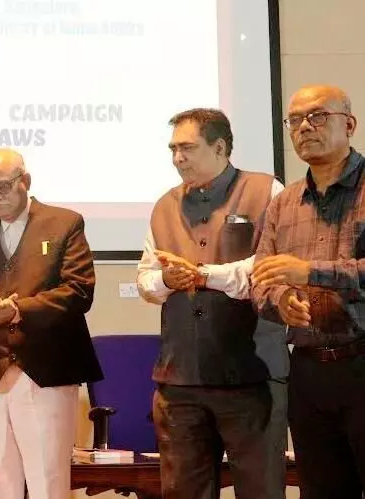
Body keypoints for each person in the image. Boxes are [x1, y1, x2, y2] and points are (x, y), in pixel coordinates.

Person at [136, 108, 286, 499]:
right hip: (179, 381)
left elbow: (268, 267)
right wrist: (167, 280)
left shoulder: (266, 190)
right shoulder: (164, 204)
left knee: (260, 490)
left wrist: (203, 275)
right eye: (172, 149)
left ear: (220, 147)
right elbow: (146, 279)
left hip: (251, 376)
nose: (177, 158)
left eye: (187, 148)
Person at [0, 148, 102, 499]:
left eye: (2, 187)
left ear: (25, 181)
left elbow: (78, 291)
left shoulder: (65, 223)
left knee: (47, 483)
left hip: (46, 371)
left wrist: (17, 310)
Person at [252, 84, 365, 498]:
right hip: (308, 370)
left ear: (349, 124)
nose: (304, 127)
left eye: (317, 116)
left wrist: (310, 272)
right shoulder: (284, 203)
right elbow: (261, 278)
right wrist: (281, 301)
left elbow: (303, 271)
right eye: (296, 119)